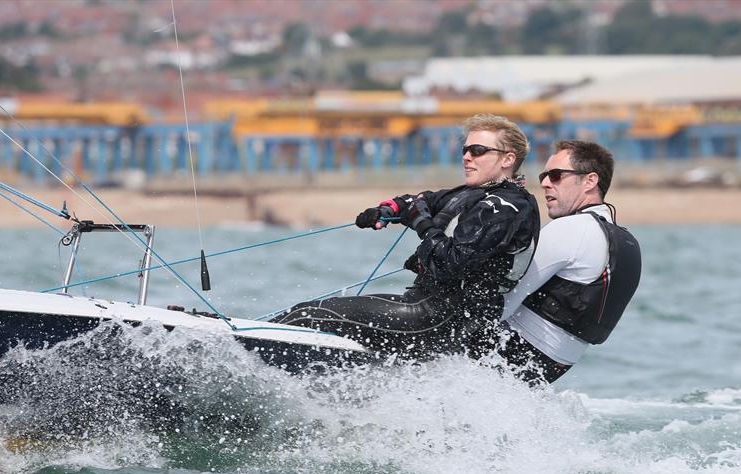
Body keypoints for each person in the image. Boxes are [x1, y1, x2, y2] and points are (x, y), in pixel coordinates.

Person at [273, 114, 540, 359]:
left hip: (442, 317)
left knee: (308, 314)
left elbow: (453, 261)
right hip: (426, 305)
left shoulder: (507, 208)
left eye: (478, 150)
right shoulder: (472, 193)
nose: (467, 157)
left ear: (508, 159)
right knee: (317, 315)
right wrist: (388, 210)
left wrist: (421, 223)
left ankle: (242, 358)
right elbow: (418, 201)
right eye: (465, 150)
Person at [495, 140, 642, 385]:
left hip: (516, 350)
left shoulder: (574, 229)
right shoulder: (623, 239)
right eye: (544, 175)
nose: (544, 183)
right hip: (553, 365)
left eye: (555, 175)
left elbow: (504, 298)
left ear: (590, 181)